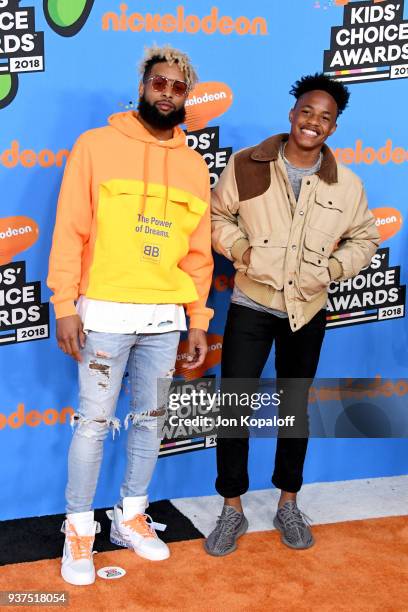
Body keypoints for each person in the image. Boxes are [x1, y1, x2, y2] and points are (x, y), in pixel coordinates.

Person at [47, 45, 213, 585]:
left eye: (178, 87)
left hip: (165, 319)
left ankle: (131, 515)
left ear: (187, 96)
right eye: (159, 83)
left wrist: (197, 320)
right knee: (94, 424)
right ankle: (77, 528)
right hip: (103, 317)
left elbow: (197, 254)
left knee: (150, 421)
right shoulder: (96, 146)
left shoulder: (192, 165)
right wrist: (65, 304)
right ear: (143, 86)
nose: (168, 93)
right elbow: (71, 228)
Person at [206, 73, 380, 555]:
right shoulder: (247, 164)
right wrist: (243, 252)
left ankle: (288, 502)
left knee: (294, 409)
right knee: (235, 405)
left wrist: (331, 269)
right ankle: (232, 509)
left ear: (334, 126)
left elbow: (366, 238)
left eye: (326, 117)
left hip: (307, 309)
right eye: (308, 111)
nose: (314, 122)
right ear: (292, 113)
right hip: (251, 304)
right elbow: (217, 218)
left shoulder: (347, 184)